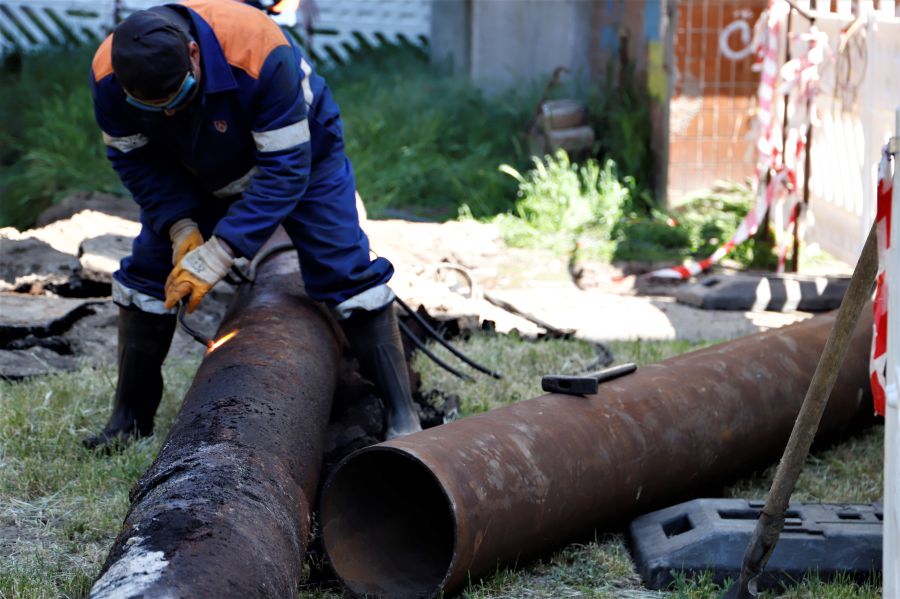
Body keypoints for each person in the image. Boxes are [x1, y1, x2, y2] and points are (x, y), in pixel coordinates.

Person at [84, 0, 421, 450]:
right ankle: (128, 421)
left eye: (177, 98)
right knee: (148, 275)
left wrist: (222, 251)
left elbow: (285, 172)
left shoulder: (260, 52)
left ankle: (403, 415)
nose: (167, 113)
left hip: (302, 160)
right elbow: (137, 160)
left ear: (194, 53)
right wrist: (180, 225)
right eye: (152, 106)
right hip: (195, 170)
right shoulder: (108, 73)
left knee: (344, 270)